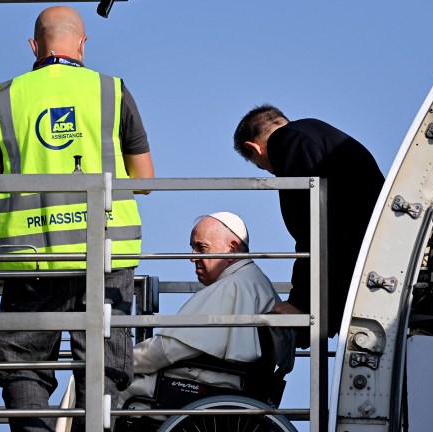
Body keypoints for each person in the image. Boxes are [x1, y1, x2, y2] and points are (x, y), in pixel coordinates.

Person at [0, 6, 155, 432]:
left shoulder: (4, 98)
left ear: (34, 46)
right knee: (103, 358)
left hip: (32, 257)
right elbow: (145, 179)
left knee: (22, 359)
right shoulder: (111, 91)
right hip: (107, 253)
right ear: (82, 44)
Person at [233, 105, 385, 343]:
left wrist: (300, 302)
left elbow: (312, 225)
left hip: (354, 256)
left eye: (263, 167)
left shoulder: (287, 141)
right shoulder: (313, 134)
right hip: (366, 253)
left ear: (253, 148)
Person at [122, 212, 290, 403]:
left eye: (201, 248)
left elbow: (166, 351)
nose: (192, 258)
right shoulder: (255, 282)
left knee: (109, 391)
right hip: (225, 389)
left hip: (202, 390)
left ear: (232, 249)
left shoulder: (233, 286)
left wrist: (120, 362)